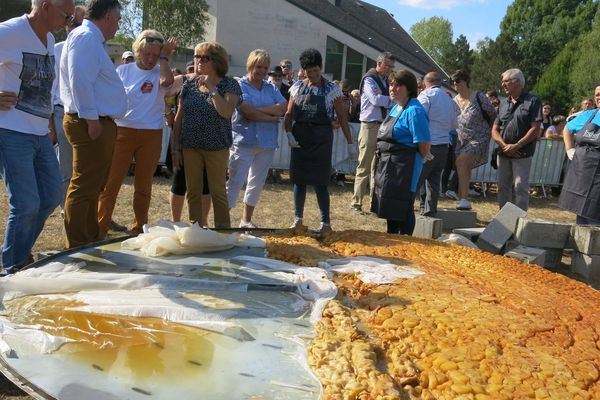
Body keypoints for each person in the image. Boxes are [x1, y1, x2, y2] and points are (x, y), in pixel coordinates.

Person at [0, 0, 74, 273]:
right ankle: (13, 268)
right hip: (10, 132)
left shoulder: (50, 38)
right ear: (45, 6)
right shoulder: (9, 32)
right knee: (26, 203)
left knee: (51, 195)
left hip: (40, 133)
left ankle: (15, 254)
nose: (69, 21)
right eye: (66, 14)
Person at [60, 0, 127, 248]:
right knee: (85, 185)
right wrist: (90, 119)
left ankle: (88, 239)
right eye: (119, 19)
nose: (119, 25)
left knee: (92, 185)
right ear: (108, 16)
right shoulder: (86, 37)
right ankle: (78, 243)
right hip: (90, 121)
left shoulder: (88, 38)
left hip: (95, 120)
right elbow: (80, 80)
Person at [97, 30, 176, 237]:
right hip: (122, 130)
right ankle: (100, 227)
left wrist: (165, 59)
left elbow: (168, 83)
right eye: (146, 54)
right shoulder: (123, 71)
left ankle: (139, 227)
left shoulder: (161, 70)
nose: (150, 59)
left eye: (155, 55)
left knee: (143, 185)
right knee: (111, 183)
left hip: (151, 134)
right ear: (138, 51)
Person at [284, 48, 355, 235]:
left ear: (321, 68)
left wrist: (350, 143)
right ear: (303, 70)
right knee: (299, 181)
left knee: (321, 182)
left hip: (321, 139)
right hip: (300, 138)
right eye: (309, 71)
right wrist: (289, 133)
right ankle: (297, 219)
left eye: (316, 70)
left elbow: (341, 116)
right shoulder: (298, 87)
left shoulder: (332, 89)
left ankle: (326, 223)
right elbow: (288, 114)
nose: (313, 75)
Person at [171, 41, 241, 228]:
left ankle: (223, 232)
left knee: (218, 192)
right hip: (190, 146)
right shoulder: (189, 85)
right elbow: (179, 118)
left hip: (216, 148)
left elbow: (225, 112)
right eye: (196, 56)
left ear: (216, 61)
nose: (199, 61)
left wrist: (212, 88)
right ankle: (196, 230)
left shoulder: (230, 84)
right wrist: (175, 149)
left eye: (204, 58)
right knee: (192, 191)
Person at [227, 49, 287, 228]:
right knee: (235, 182)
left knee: (257, 183)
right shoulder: (239, 85)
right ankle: (223, 220)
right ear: (250, 65)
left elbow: (282, 107)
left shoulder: (271, 88)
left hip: (266, 143)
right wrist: (269, 117)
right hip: (243, 142)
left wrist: (256, 110)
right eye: (259, 66)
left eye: (265, 67)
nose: (262, 71)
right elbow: (245, 112)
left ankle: (246, 221)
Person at [371, 69, 431, 235]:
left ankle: (406, 242)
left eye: (398, 85)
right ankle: (392, 239)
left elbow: (424, 144)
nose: (392, 88)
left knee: (403, 206)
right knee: (391, 206)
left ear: (409, 88)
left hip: (405, 167)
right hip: (388, 165)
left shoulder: (415, 111)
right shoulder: (396, 107)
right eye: (391, 84)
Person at [50, 5, 85, 211]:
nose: (77, 28)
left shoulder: (91, 48)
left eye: (81, 24)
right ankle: (66, 209)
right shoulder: (57, 49)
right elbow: (50, 88)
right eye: (74, 23)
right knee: (66, 168)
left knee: (84, 168)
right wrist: (50, 124)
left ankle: (82, 209)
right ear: (66, 25)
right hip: (61, 112)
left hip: (86, 115)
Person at [491, 68, 542, 211]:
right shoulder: (502, 103)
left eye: (506, 81)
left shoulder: (533, 101)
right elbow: (495, 129)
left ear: (517, 82)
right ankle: (503, 221)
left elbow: (535, 129)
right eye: (502, 82)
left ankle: (519, 222)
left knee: (520, 188)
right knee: (502, 187)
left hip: (522, 153)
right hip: (503, 153)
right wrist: (505, 146)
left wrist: (517, 146)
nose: (502, 85)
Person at [350, 51, 394, 214]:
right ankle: (356, 204)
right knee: (364, 166)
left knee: (379, 168)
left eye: (391, 66)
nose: (390, 69)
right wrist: (393, 99)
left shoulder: (384, 80)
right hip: (369, 126)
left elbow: (382, 99)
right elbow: (375, 99)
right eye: (388, 66)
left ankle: (375, 204)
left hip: (382, 126)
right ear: (379, 63)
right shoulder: (369, 79)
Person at [450, 69, 495, 210]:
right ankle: (463, 199)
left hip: (480, 137)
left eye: (457, 81)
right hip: (461, 139)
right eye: (452, 82)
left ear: (465, 81)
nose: (455, 84)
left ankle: (463, 198)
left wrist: (493, 133)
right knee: (465, 166)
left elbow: (493, 114)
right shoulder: (453, 100)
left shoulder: (479, 96)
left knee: (461, 161)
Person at [416, 71, 459, 216]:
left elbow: (419, 118)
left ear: (424, 83)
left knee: (416, 180)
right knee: (434, 182)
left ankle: (404, 210)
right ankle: (430, 211)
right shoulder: (449, 100)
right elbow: (454, 125)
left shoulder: (425, 96)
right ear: (439, 82)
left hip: (428, 144)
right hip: (443, 145)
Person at [559, 85, 600, 225]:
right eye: (597, 94)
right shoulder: (589, 114)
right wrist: (569, 149)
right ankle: (580, 246)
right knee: (581, 213)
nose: (598, 97)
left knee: (595, 215)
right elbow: (567, 129)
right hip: (582, 173)